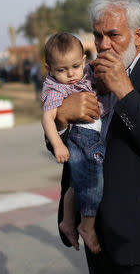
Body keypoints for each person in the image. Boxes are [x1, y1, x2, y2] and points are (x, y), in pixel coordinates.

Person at [46, 0, 140, 273]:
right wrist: (63, 117)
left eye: (113, 35)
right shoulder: (81, 76)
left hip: (138, 231)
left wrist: (125, 91)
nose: (103, 45)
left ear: (138, 36)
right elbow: (59, 146)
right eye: (97, 35)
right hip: (91, 224)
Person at [41, 33, 109, 254]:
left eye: (75, 66)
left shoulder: (87, 72)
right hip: (82, 136)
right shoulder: (55, 88)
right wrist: (58, 145)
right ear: (49, 68)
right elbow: (47, 119)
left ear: (84, 59)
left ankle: (67, 221)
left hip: (90, 133)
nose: (70, 74)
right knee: (93, 179)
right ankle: (87, 225)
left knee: (78, 180)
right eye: (61, 70)